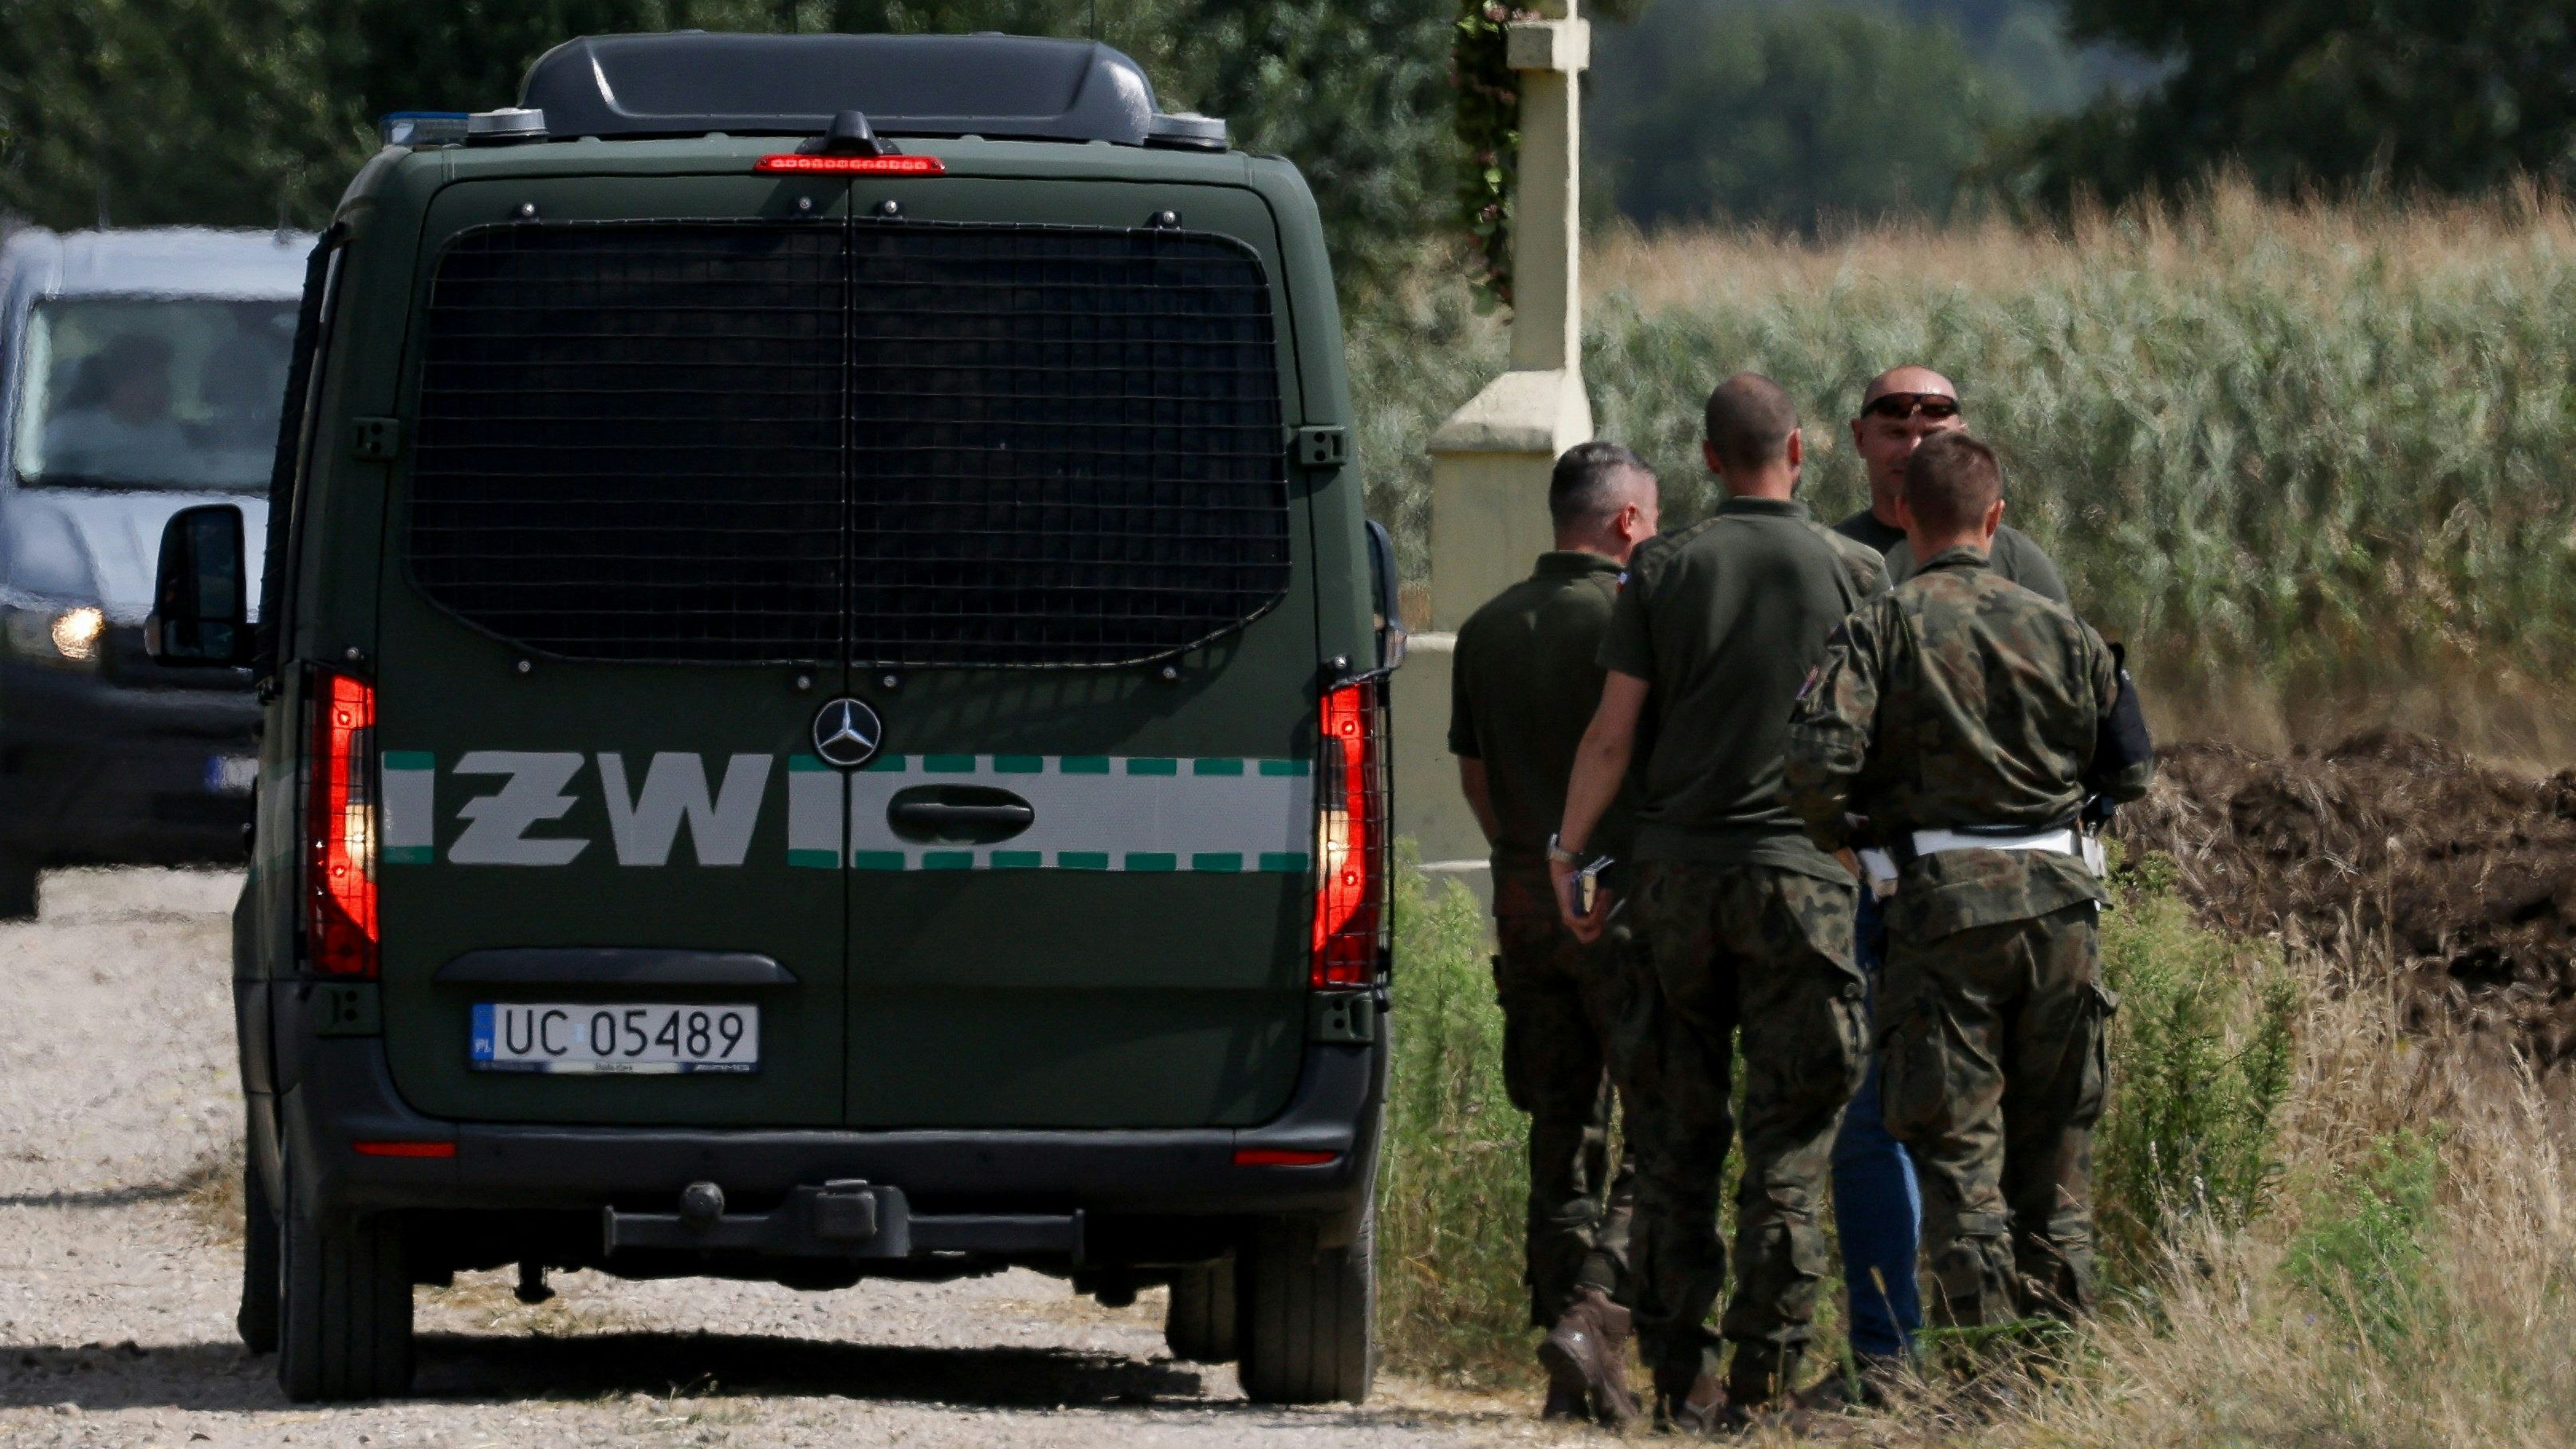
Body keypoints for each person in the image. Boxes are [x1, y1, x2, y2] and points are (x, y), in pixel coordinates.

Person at [1551, 375, 1885, 1428]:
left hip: (1676, 884)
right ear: (1797, 447)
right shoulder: (1860, 570)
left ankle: (1679, 1381)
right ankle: (1762, 1384)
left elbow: (1610, 733)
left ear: (1704, 459)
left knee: (1676, 1142)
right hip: (1805, 883)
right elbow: (1885, 737)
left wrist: (1569, 853)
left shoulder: (1662, 566)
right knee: (1788, 1142)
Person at [1784, 431, 2154, 1343]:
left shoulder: (1880, 627)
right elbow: (2134, 765)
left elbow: (1814, 760)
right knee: (2057, 1166)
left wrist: (1856, 840)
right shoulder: (2066, 631)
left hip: (1940, 910)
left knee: (1959, 1163)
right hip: (2064, 911)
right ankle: (2054, 1372)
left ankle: (1982, 1386)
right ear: (1997, 518)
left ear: (1904, 515)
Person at [1825, 364, 2072, 1388]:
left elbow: (2077, 711)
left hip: (2016, 890)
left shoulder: (2025, 564)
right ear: (1860, 435)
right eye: (1896, 415)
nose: (1915, 430)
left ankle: (2017, 1360)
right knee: (1880, 1117)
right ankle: (1897, 1350)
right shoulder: (1844, 559)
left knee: (2016, 1125)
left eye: (1937, 414)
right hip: (1883, 888)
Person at [1449, 439, 1658, 1425]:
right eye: (1650, 520)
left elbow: (1477, 775)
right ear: (1624, 521)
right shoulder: (1632, 617)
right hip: (1621, 903)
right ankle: (1596, 1316)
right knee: (1660, 1125)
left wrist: (1529, 861)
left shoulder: (1488, 628)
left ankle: (1567, 1364)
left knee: (1560, 1130)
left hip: (1525, 902)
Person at [1836, 366, 2065, 601]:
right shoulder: (1833, 557)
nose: (1914, 450)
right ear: (1860, 437)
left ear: (1961, 441)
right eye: (1896, 433)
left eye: (1932, 436)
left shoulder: (2016, 560)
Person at [40, 332, 195, 484]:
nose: (156, 386)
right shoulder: (68, 431)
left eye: (158, 376)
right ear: (117, 379)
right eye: (143, 376)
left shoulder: (169, 436)